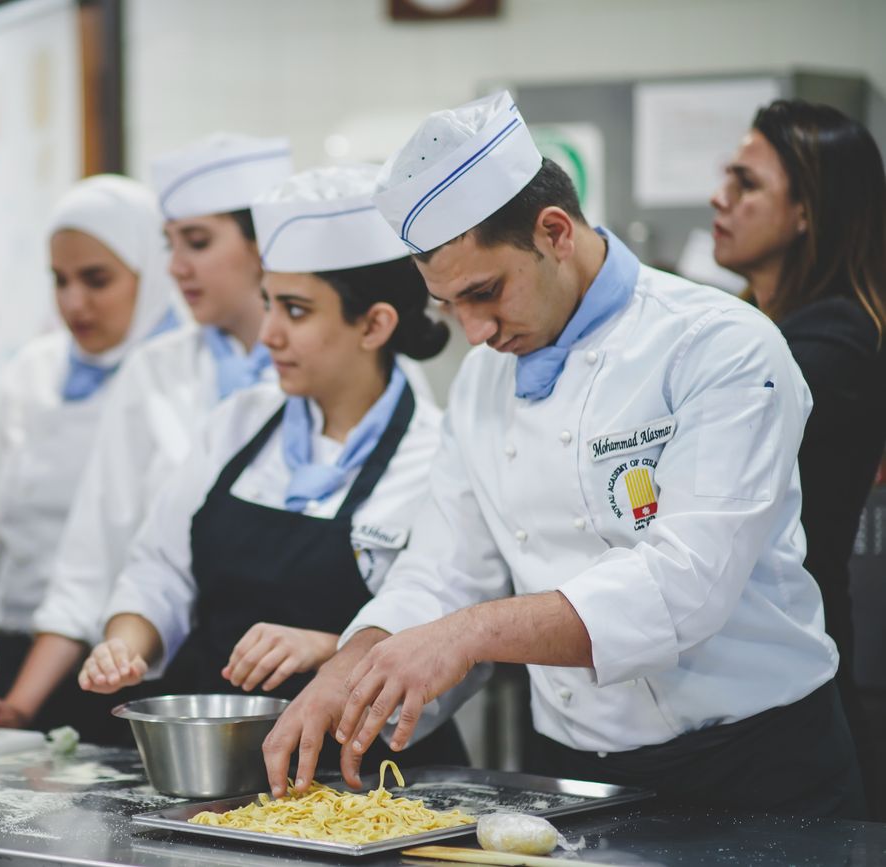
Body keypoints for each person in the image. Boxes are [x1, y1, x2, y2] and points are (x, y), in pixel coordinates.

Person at [262, 92, 865, 819]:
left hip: (756, 769)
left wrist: (470, 632)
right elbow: (446, 568)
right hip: (574, 774)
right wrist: (352, 664)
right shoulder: (485, 379)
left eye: (486, 292)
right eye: (451, 305)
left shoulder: (719, 344)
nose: (476, 332)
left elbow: (685, 585)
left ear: (554, 232)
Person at [80, 164, 475, 769]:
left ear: (374, 324)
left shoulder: (437, 455)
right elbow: (159, 568)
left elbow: (445, 638)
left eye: (294, 310)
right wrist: (124, 643)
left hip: (364, 775)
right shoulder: (237, 423)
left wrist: (330, 649)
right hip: (208, 759)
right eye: (267, 303)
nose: (267, 334)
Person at [0, 134, 292, 737]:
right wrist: (21, 705)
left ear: (263, 244)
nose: (176, 266)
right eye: (170, 245)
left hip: (302, 689)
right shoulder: (158, 369)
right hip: (175, 688)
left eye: (197, 242)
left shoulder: (321, 366)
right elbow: (99, 552)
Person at [711, 98, 886, 815]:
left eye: (747, 184)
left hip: (800, 680)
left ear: (808, 211)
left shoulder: (833, 341)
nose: (720, 196)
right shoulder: (760, 324)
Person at [0, 174, 181, 705]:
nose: (73, 302)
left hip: (125, 666)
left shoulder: (179, 384)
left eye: (97, 279)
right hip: (17, 653)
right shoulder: (32, 373)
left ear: (149, 275)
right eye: (59, 280)